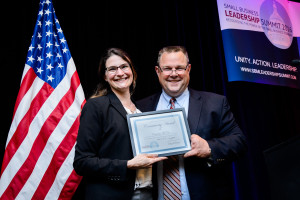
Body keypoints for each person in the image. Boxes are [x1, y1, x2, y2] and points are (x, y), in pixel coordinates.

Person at [136, 46, 247, 200]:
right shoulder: (140, 108)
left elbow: (239, 141)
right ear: (157, 71)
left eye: (179, 68)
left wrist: (209, 148)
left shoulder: (215, 103)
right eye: (167, 68)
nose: (173, 74)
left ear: (188, 69)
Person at [73, 48, 166, 200]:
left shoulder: (142, 110)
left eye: (124, 66)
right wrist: (127, 164)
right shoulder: (96, 106)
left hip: (148, 193)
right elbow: (82, 162)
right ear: (105, 76)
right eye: (112, 69)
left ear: (132, 70)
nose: (120, 73)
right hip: (112, 194)